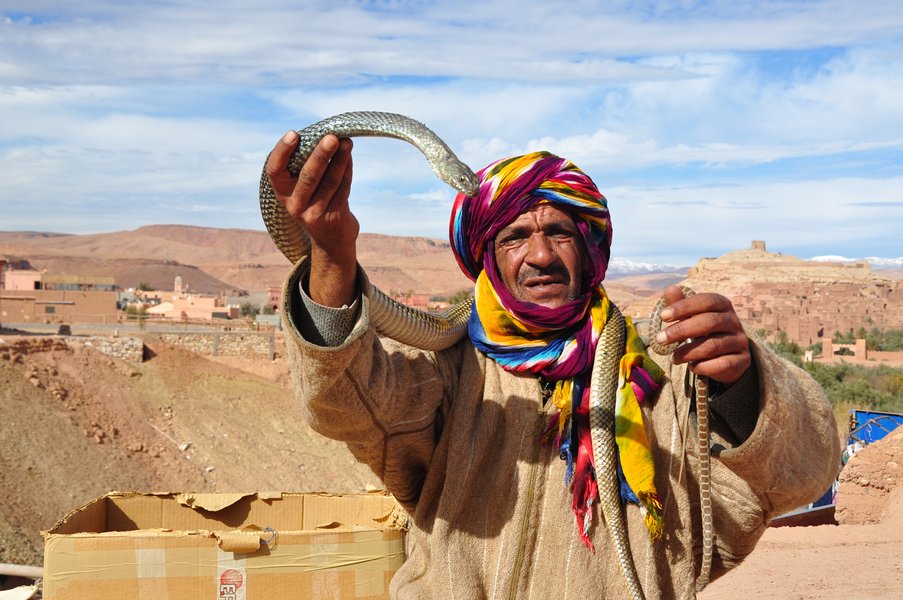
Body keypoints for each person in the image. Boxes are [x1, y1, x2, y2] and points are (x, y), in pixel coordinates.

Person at [265, 131, 840, 599]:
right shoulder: (447, 365)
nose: (540, 255)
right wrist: (333, 261)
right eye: (515, 236)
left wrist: (740, 383)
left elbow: (793, 475)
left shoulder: (660, 367)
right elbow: (344, 404)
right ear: (486, 256)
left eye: (559, 232)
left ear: (589, 247)